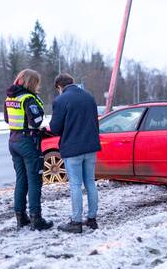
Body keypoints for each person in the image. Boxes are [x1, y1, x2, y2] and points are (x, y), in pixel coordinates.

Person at [50, 73, 101, 234]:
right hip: (91, 146)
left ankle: (76, 221)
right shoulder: (89, 97)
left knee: (75, 185)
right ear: (72, 82)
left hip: (72, 149)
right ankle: (92, 219)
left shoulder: (61, 100)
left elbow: (55, 127)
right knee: (90, 183)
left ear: (60, 86)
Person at [4, 69, 53, 231]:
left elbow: (7, 119)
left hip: (13, 141)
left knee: (21, 179)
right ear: (32, 82)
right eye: (37, 83)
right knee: (34, 181)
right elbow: (37, 121)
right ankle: (36, 218)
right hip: (28, 142)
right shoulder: (28, 98)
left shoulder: (10, 98)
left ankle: (21, 217)